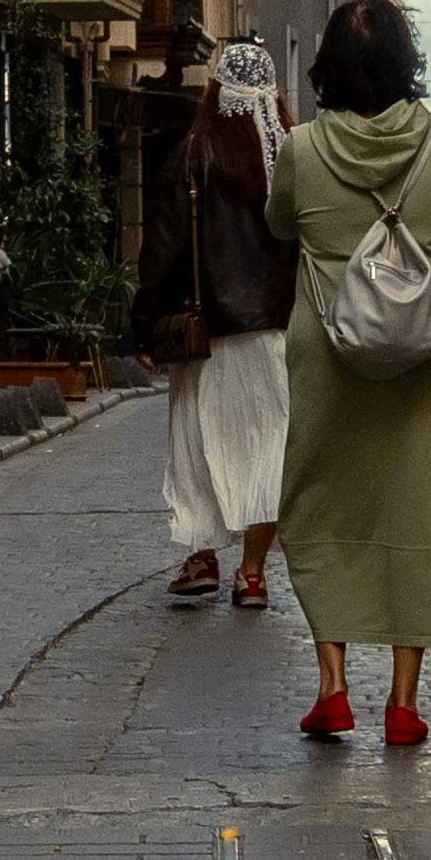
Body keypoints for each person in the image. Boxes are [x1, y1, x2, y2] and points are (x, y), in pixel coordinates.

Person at [267, 0, 431, 750]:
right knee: (425, 512)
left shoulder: (301, 152)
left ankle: (333, 689)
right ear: (409, 63)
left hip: (330, 360)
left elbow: (280, 229)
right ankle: (403, 702)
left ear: (327, 71)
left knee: (322, 509)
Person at [138, 41, 297, 609]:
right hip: (276, 332)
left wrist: (146, 323)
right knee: (265, 449)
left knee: (198, 444)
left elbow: (163, 249)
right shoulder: (291, 158)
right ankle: (252, 574)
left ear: (216, 92)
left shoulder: (192, 155)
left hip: (205, 332)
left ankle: (202, 558)